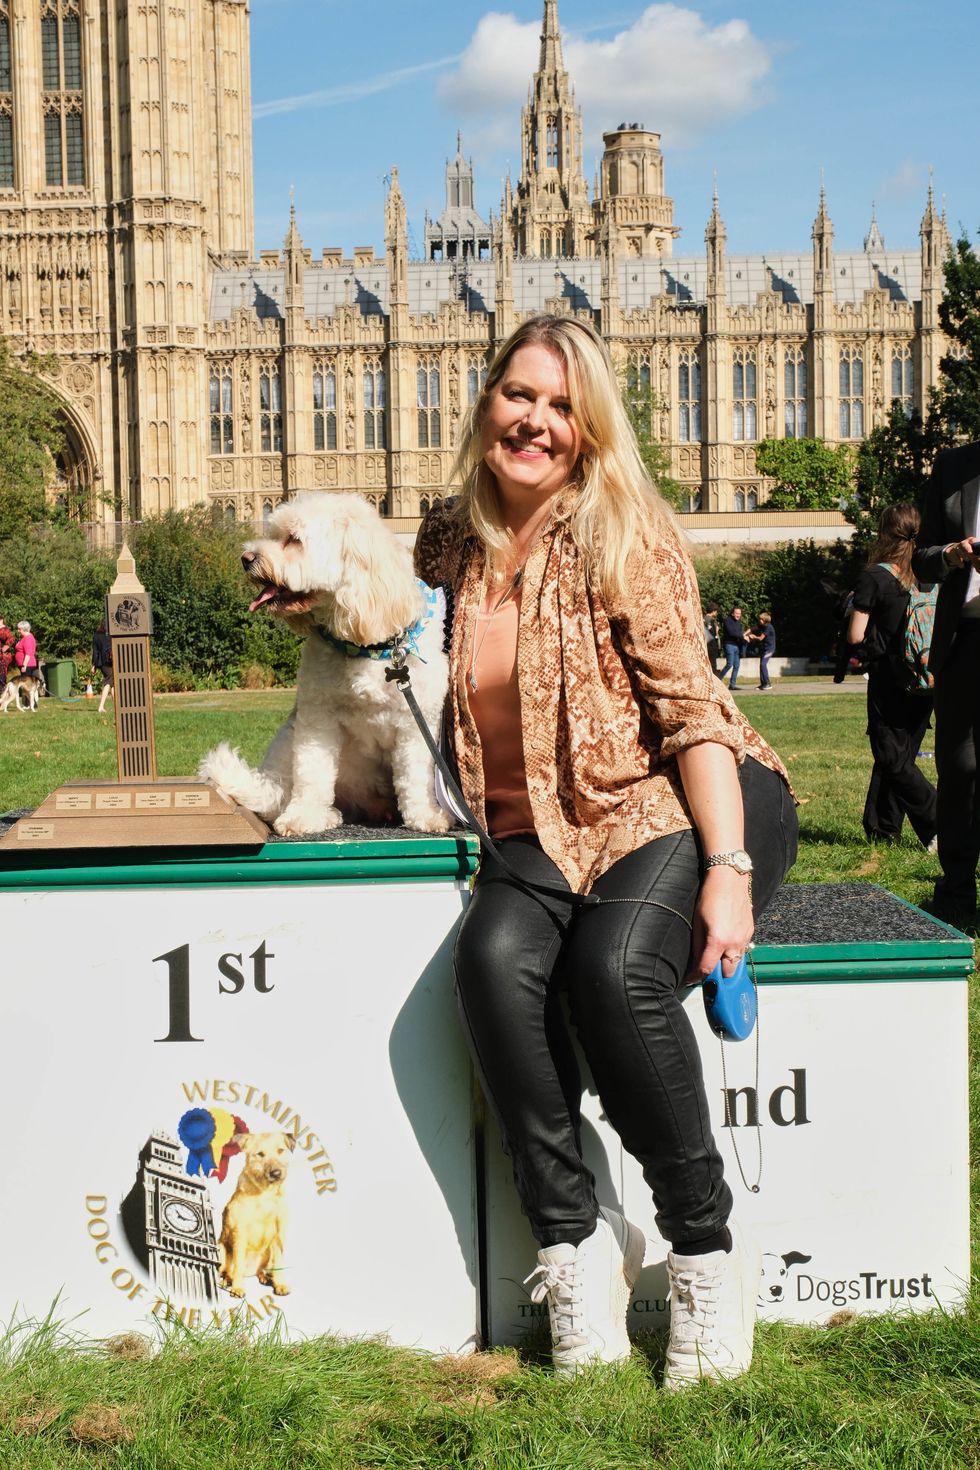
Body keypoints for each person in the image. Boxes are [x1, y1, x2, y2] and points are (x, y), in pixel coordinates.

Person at [414, 315, 797, 1387]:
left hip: (676, 796)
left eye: (559, 406)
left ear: (586, 430)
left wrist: (727, 877)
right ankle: (573, 1248)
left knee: (613, 971)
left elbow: (694, 713)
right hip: (542, 824)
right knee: (488, 968)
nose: (533, 421)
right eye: (517, 396)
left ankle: (705, 1254)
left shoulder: (622, 530)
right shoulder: (448, 540)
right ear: (485, 399)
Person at [912, 442, 980, 920]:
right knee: (958, 769)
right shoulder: (954, 466)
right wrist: (952, 555)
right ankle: (957, 890)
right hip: (966, 637)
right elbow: (921, 559)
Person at [847, 504, 937, 851]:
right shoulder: (928, 573)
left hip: (889, 678)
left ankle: (940, 821)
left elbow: (857, 635)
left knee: (891, 757)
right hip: (924, 674)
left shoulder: (875, 577)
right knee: (900, 756)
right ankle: (883, 828)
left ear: (885, 533)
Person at [746, 612, 776, 690]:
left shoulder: (768, 627)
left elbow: (760, 638)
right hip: (763, 649)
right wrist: (745, 634)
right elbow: (753, 628)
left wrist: (753, 636)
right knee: (761, 665)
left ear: (765, 620)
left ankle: (767, 684)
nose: (760, 620)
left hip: (769, 649)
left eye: (761, 619)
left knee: (763, 664)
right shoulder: (762, 626)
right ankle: (763, 684)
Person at [718, 606, 745, 691]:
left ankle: (732, 685)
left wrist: (745, 637)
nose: (738, 615)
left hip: (737, 646)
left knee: (736, 665)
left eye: (739, 614)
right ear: (732, 613)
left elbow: (740, 633)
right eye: (737, 613)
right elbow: (731, 633)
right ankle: (718, 680)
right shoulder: (727, 621)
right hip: (729, 645)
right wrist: (743, 636)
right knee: (729, 664)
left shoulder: (739, 622)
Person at [91, 620, 113, 714]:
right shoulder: (110, 636)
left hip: (102, 663)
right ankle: (101, 706)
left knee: (112, 684)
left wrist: (94, 665)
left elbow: (95, 652)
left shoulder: (96, 636)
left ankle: (118, 706)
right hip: (109, 662)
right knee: (108, 682)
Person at [703, 603, 720, 671]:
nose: (716, 613)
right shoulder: (710, 620)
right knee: (713, 664)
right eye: (716, 611)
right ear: (713, 611)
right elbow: (712, 633)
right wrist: (717, 630)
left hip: (706, 644)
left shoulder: (704, 619)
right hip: (711, 644)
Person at [0, 616, 14, 691]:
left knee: (1, 677)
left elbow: (11, 639)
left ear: (1, 620)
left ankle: (2, 695)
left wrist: (5, 647)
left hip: (2, 657)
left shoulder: (5, 630)